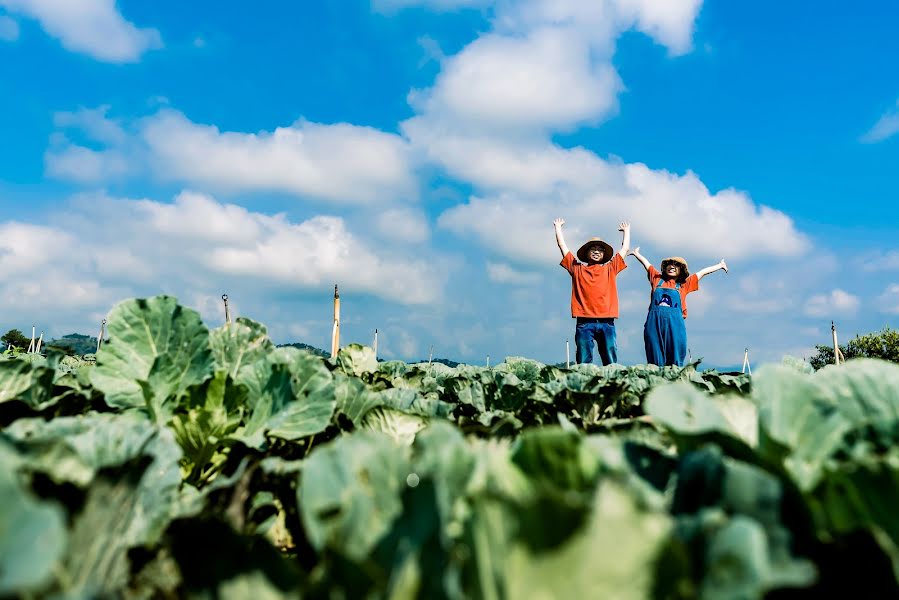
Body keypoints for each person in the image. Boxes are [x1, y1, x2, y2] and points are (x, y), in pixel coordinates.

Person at [629, 248, 728, 366]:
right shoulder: (657, 279)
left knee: (675, 355)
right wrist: (637, 254)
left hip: (675, 324)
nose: (672, 266)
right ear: (664, 268)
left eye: (676, 265)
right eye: (669, 264)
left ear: (681, 270)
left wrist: (720, 265)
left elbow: (702, 272)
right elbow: (647, 264)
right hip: (654, 324)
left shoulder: (684, 284)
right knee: (654, 356)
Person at [554, 217, 630, 365]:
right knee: (583, 360)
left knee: (611, 360)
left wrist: (626, 231)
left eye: (600, 250)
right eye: (593, 249)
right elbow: (562, 246)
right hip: (584, 321)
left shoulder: (610, 268)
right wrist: (558, 228)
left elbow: (625, 249)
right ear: (587, 253)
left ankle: (613, 386)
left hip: (607, 321)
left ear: (603, 255)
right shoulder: (577, 268)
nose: (596, 252)